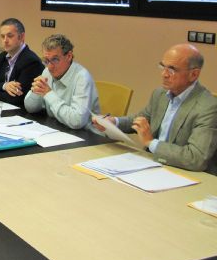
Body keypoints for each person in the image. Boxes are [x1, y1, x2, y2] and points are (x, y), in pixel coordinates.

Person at [93, 44, 217, 173]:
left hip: (184, 173)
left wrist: (151, 143)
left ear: (194, 74)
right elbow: (140, 120)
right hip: (151, 165)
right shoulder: (160, 94)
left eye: (172, 69)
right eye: (163, 67)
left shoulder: (208, 107)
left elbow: (196, 158)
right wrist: (114, 122)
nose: (164, 74)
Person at [24, 34, 100, 130]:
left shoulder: (82, 77)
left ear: (69, 56)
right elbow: (30, 108)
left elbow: (77, 121)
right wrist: (35, 91)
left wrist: (48, 94)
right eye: (46, 60)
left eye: (55, 59)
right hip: (57, 128)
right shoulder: (47, 71)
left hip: (86, 135)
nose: (50, 67)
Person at [0, 18, 44, 109]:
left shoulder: (30, 61)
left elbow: (18, 98)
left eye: (10, 36)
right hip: (3, 106)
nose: (5, 40)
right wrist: (5, 86)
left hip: (21, 112)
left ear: (21, 37)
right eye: (2, 36)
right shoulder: (2, 56)